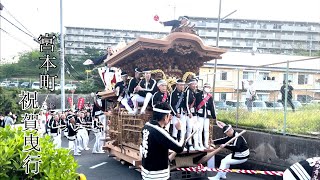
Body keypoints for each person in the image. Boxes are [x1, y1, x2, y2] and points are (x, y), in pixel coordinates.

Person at [140, 102, 185, 180]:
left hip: (146, 174)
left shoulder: (146, 126)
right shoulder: (159, 132)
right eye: (169, 116)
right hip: (158, 176)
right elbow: (180, 147)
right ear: (165, 117)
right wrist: (180, 131)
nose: (170, 118)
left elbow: (154, 149)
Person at [196, 83, 216, 150]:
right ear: (203, 87)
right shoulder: (198, 95)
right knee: (199, 129)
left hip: (207, 115)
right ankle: (200, 143)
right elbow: (195, 104)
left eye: (209, 87)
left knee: (206, 130)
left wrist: (214, 116)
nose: (207, 88)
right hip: (199, 115)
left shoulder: (210, 97)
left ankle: (206, 143)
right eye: (206, 87)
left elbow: (212, 107)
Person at [185, 78, 199, 151]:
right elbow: (187, 103)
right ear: (190, 84)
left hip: (195, 113)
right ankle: (189, 144)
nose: (194, 85)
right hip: (189, 113)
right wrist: (189, 112)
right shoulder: (188, 91)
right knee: (189, 129)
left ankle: (196, 144)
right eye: (193, 84)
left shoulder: (195, 92)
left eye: (195, 84)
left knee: (196, 129)